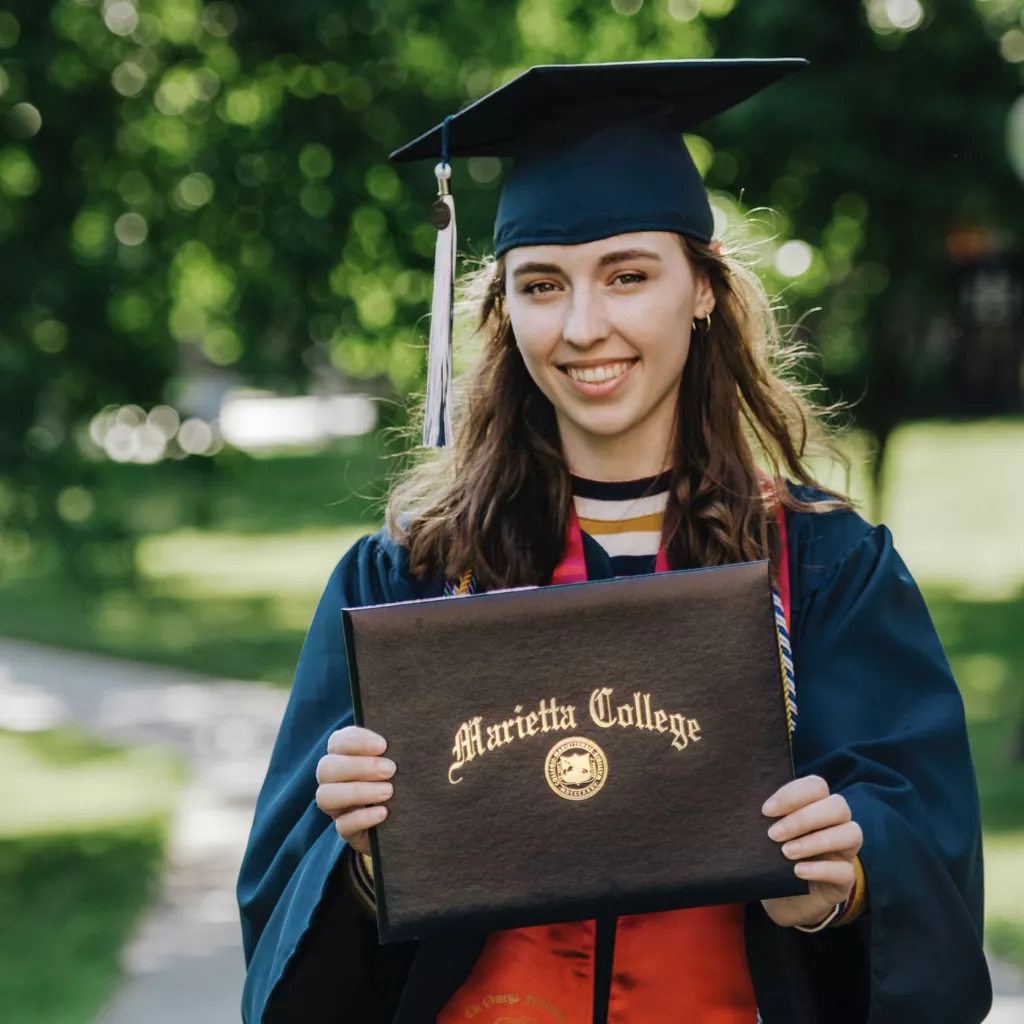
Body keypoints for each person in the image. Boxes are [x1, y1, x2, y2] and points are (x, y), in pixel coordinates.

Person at [237, 59, 992, 1023]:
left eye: (628, 275)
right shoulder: (408, 579)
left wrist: (844, 882)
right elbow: (284, 933)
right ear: (504, 312)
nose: (585, 327)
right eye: (543, 285)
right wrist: (353, 866)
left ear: (704, 291)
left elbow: (926, 859)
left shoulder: (826, 569)